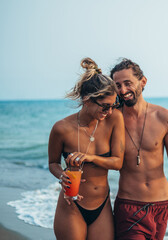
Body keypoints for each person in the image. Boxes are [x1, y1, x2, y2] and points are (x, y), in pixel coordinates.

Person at [110, 58, 168, 240]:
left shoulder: (165, 117)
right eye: (118, 85)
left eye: (127, 83)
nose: (123, 90)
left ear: (143, 82)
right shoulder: (113, 118)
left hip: (161, 205)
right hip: (130, 205)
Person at [48, 57, 125, 240]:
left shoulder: (114, 120)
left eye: (113, 106)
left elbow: (118, 162)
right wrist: (61, 175)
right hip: (71, 206)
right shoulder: (61, 128)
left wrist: (89, 157)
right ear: (87, 100)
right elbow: (52, 163)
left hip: (102, 206)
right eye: (105, 107)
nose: (110, 112)